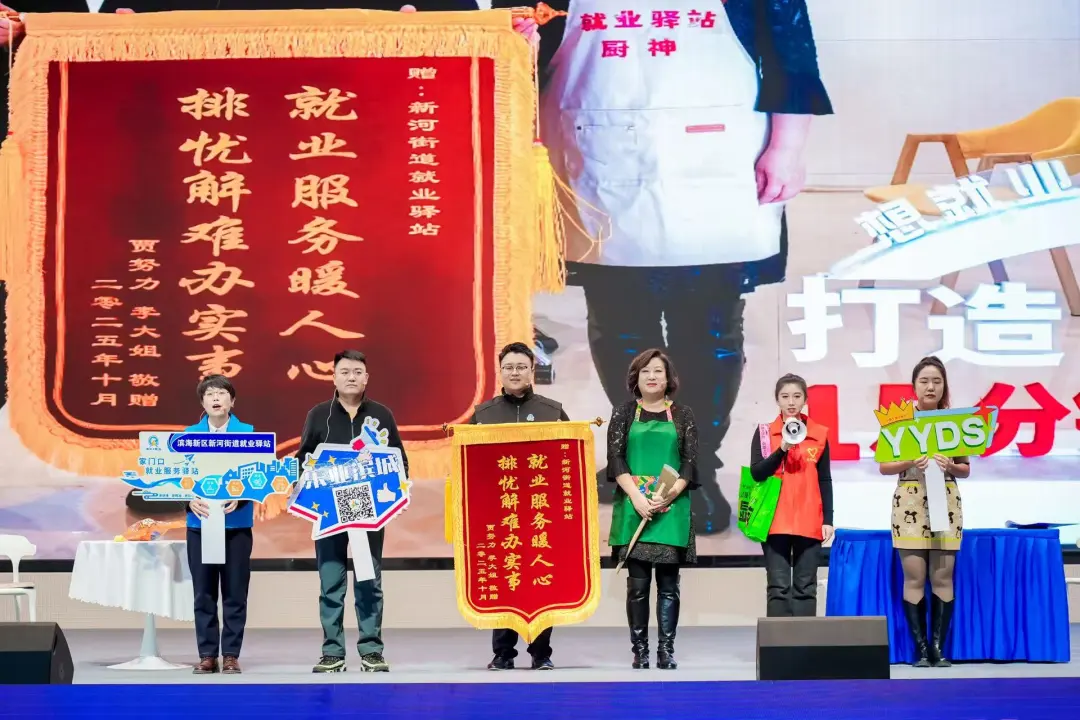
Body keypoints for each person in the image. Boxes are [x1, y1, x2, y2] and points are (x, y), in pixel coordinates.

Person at [492, 0, 833, 538]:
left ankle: (696, 473)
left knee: (710, 329)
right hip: (596, 160)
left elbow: (791, 51)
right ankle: (644, 461)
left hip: (718, 165)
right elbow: (513, 39)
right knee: (617, 325)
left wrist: (788, 147)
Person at [296, 349, 408, 674]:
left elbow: (399, 460)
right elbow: (302, 461)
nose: (351, 377)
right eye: (344, 372)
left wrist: (396, 494)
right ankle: (332, 652)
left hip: (368, 512)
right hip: (329, 511)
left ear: (366, 377)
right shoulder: (318, 415)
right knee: (331, 582)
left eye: (357, 372)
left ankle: (372, 650)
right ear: (333, 376)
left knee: (368, 581)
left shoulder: (381, 415)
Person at [469, 341, 569, 671]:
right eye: (509, 367)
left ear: (532, 371)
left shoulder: (553, 412)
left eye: (521, 367)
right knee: (505, 581)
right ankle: (503, 653)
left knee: (541, 581)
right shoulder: (483, 415)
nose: (515, 372)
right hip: (499, 515)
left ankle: (541, 653)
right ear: (500, 372)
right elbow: (467, 466)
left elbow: (569, 459)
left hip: (541, 514)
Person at [606, 349, 697, 670]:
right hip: (635, 506)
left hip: (670, 508)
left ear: (668, 377)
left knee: (669, 587)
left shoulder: (683, 414)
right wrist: (637, 497)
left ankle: (666, 650)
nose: (652, 376)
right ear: (636, 377)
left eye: (658, 370)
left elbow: (689, 463)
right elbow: (616, 459)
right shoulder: (623, 413)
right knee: (638, 586)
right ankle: (640, 650)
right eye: (645, 371)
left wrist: (668, 496)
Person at [879, 356, 968, 668]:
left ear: (944, 386)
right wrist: (909, 461)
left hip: (946, 501)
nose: (931, 387)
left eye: (937, 381)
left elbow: (965, 469)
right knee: (914, 576)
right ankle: (920, 649)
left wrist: (950, 465)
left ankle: (938, 648)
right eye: (924, 381)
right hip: (910, 503)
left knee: (942, 576)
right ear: (914, 386)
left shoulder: (955, 422)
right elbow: (884, 466)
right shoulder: (899, 421)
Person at [184, 374, 255, 675]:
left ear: (232, 401)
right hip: (200, 524)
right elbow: (177, 478)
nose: (216, 398)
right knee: (203, 593)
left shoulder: (249, 435)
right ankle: (207, 654)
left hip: (236, 525)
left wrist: (243, 495)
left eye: (222, 393)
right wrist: (188, 499)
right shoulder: (187, 436)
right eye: (210, 394)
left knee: (235, 593)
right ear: (202, 403)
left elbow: (260, 475)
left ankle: (231, 655)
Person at [748, 373, 833, 617]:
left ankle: (805, 640)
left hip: (809, 518)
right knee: (778, 587)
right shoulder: (765, 433)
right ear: (777, 400)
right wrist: (782, 448)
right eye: (785, 396)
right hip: (774, 519)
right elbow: (757, 473)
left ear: (805, 399)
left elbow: (825, 479)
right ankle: (778, 641)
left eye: (797, 396)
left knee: (806, 587)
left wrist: (828, 519)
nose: (791, 402)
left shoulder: (818, 433)